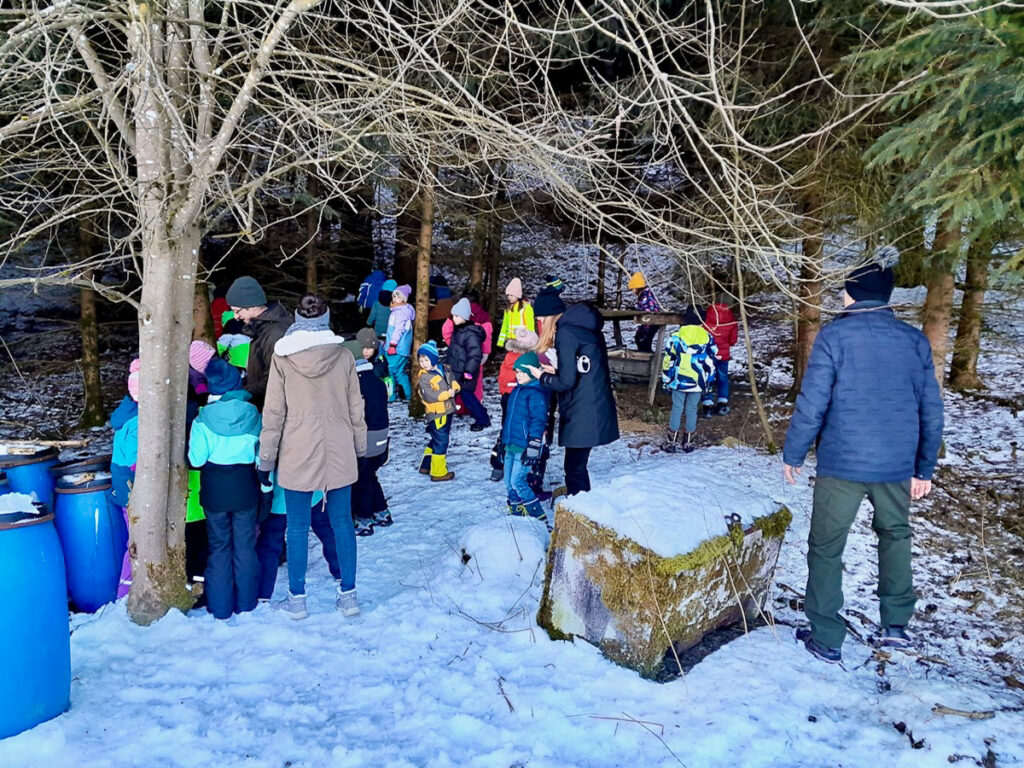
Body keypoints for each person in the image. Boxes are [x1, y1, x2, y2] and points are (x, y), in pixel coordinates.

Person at [783, 261, 944, 664]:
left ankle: (826, 637)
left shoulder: (833, 336)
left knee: (826, 547)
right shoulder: (914, 341)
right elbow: (931, 409)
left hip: (842, 464)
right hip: (895, 465)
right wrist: (923, 467)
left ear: (851, 294)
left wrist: (794, 453)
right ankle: (896, 627)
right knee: (896, 537)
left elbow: (813, 402)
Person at [259, 294, 367, 620]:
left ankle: (297, 600)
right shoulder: (344, 356)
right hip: (339, 447)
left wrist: (266, 460)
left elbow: (273, 413)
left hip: (297, 450)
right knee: (342, 522)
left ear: (297, 320)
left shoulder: (283, 358)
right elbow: (356, 408)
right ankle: (349, 596)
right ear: (326, 319)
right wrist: (360, 448)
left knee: (296, 527)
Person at [187, 358, 262, 621]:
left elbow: (196, 460)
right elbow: (260, 456)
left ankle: (220, 608)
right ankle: (247, 603)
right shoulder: (253, 413)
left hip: (214, 493)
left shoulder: (202, 420)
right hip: (246, 489)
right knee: (245, 546)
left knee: (219, 548)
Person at [526, 291, 619, 496]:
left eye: (541, 318)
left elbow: (566, 382)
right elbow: (582, 369)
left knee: (574, 469)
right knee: (577, 465)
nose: (540, 323)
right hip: (593, 403)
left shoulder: (565, 333)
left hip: (582, 409)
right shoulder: (584, 328)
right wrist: (556, 371)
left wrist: (542, 376)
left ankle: (580, 507)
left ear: (550, 316)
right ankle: (580, 503)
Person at [348, 331, 392, 536]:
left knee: (361, 480)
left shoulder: (355, 384)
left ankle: (364, 518)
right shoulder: (376, 380)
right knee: (370, 475)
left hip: (366, 436)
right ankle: (382, 511)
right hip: (382, 435)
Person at [225, 276, 292, 409]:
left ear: (252, 305)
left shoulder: (275, 334)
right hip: (263, 402)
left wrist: (245, 392)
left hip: (273, 407)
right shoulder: (260, 327)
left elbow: (274, 379)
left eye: (237, 311)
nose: (236, 317)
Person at [502, 351, 551, 524]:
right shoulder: (516, 391)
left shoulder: (536, 393)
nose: (519, 375)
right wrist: (503, 441)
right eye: (517, 372)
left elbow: (538, 421)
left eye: (523, 372)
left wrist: (534, 445)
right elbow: (509, 420)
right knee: (508, 482)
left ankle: (540, 519)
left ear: (532, 372)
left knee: (518, 482)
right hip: (511, 444)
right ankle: (517, 517)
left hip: (524, 446)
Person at [661, 306, 717, 454]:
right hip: (698, 381)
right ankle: (688, 442)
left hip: (679, 380)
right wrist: (709, 381)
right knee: (692, 409)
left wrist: (666, 378)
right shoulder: (708, 337)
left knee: (677, 408)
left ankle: (671, 442)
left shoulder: (676, 336)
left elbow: (667, 359)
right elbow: (711, 362)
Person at [490, 325, 540, 482]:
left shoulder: (509, 357)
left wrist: (505, 392)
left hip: (508, 398)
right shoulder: (527, 360)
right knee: (522, 431)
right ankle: (523, 465)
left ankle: (498, 464)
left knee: (507, 429)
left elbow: (501, 379)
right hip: (520, 399)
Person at [110, 359, 140, 599]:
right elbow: (136, 459)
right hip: (130, 483)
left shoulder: (125, 412)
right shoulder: (139, 421)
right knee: (137, 540)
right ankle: (125, 591)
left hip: (121, 482)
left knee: (134, 536)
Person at [442, 291, 492, 412]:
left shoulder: (456, 312)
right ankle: (474, 408)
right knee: (475, 382)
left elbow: (446, 330)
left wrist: (454, 346)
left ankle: (459, 408)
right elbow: (487, 336)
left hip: (458, 356)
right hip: (476, 356)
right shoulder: (483, 315)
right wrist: (485, 352)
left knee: (457, 380)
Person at [416, 340, 458, 482]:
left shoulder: (443, 369)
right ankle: (438, 472)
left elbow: (450, 379)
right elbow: (429, 396)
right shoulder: (424, 377)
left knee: (436, 439)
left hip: (447, 411)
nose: (423, 364)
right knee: (441, 442)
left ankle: (426, 465)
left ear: (434, 359)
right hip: (437, 414)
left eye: (426, 360)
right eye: (421, 361)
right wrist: (447, 394)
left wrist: (455, 386)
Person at [702, 298, 739, 416]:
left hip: (709, 354)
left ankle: (707, 404)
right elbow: (733, 340)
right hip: (723, 355)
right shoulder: (731, 320)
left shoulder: (706, 317)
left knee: (708, 377)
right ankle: (723, 403)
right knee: (723, 378)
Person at [385, 284, 415, 402]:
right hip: (403, 350)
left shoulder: (400, 312)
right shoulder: (405, 310)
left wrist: (392, 345)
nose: (395, 299)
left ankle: (390, 396)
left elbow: (398, 330)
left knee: (389, 370)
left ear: (404, 299)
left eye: (398, 297)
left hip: (397, 349)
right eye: (394, 296)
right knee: (399, 372)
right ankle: (408, 395)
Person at [626, 272, 662, 352]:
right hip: (650, 322)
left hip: (651, 322)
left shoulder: (645, 296)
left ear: (637, 287)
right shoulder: (645, 295)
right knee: (640, 338)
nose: (632, 292)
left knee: (642, 339)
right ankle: (646, 354)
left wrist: (638, 310)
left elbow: (648, 310)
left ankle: (646, 355)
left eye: (632, 289)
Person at [497, 278, 536, 349]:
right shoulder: (508, 308)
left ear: (518, 295)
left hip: (522, 341)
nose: (509, 297)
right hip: (510, 341)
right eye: (508, 295)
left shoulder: (526, 307)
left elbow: (530, 325)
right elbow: (505, 325)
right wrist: (501, 341)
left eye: (511, 295)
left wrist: (531, 341)